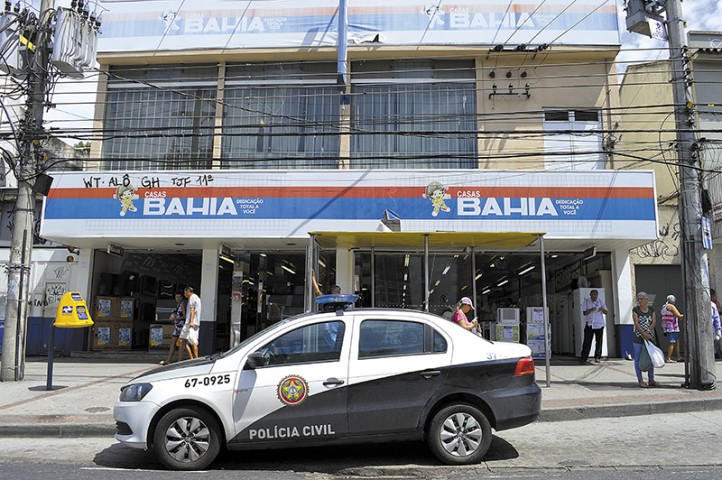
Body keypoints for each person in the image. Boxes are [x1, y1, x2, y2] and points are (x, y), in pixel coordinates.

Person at [632, 291, 657, 388]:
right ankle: (640, 380)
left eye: (641, 298)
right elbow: (636, 323)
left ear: (646, 299)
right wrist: (643, 334)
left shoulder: (651, 309)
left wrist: (648, 332)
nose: (639, 300)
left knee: (650, 358)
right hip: (639, 337)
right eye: (638, 299)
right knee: (638, 359)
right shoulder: (636, 310)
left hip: (650, 337)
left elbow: (654, 322)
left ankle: (651, 379)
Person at [160, 292, 191, 365]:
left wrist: (176, 318)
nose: (177, 298)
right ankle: (168, 360)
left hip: (181, 326)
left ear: (182, 297)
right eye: (176, 297)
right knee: (173, 342)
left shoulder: (183, 304)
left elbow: (184, 316)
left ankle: (189, 358)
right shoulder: (178, 305)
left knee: (183, 343)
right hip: (177, 326)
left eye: (179, 297)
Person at [580, 289, 608, 364]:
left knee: (599, 341)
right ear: (590, 295)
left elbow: (606, 312)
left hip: (599, 324)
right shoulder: (586, 302)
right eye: (593, 294)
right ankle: (584, 357)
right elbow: (584, 313)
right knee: (587, 341)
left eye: (596, 294)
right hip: (590, 324)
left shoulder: (601, 302)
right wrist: (591, 310)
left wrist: (602, 309)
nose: (594, 296)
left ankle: (597, 357)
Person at [179, 286, 201, 360]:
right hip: (195, 323)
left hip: (190, 323)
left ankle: (192, 358)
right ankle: (194, 358)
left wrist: (191, 322)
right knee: (192, 341)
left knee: (182, 340)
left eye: (185, 292)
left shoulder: (192, 298)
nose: (184, 294)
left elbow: (192, 310)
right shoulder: (197, 298)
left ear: (188, 291)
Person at [660, 294, 683, 363]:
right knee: (672, 342)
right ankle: (669, 358)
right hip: (672, 327)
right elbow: (678, 315)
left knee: (677, 341)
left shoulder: (664, 306)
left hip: (667, 326)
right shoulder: (671, 307)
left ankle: (678, 356)